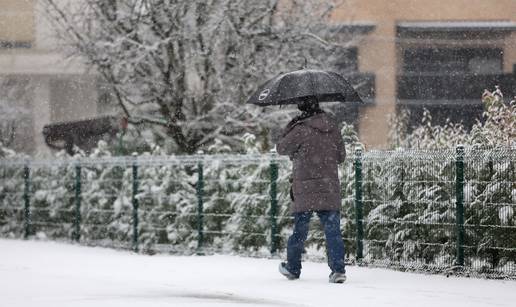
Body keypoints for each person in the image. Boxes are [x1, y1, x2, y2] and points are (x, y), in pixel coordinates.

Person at [276, 97, 347, 284]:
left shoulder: (300, 129)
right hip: (328, 186)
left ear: (302, 109)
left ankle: (293, 268)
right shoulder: (332, 127)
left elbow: (281, 148)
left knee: (300, 230)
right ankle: (338, 270)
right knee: (333, 231)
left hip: (305, 187)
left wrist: (290, 127)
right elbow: (341, 156)